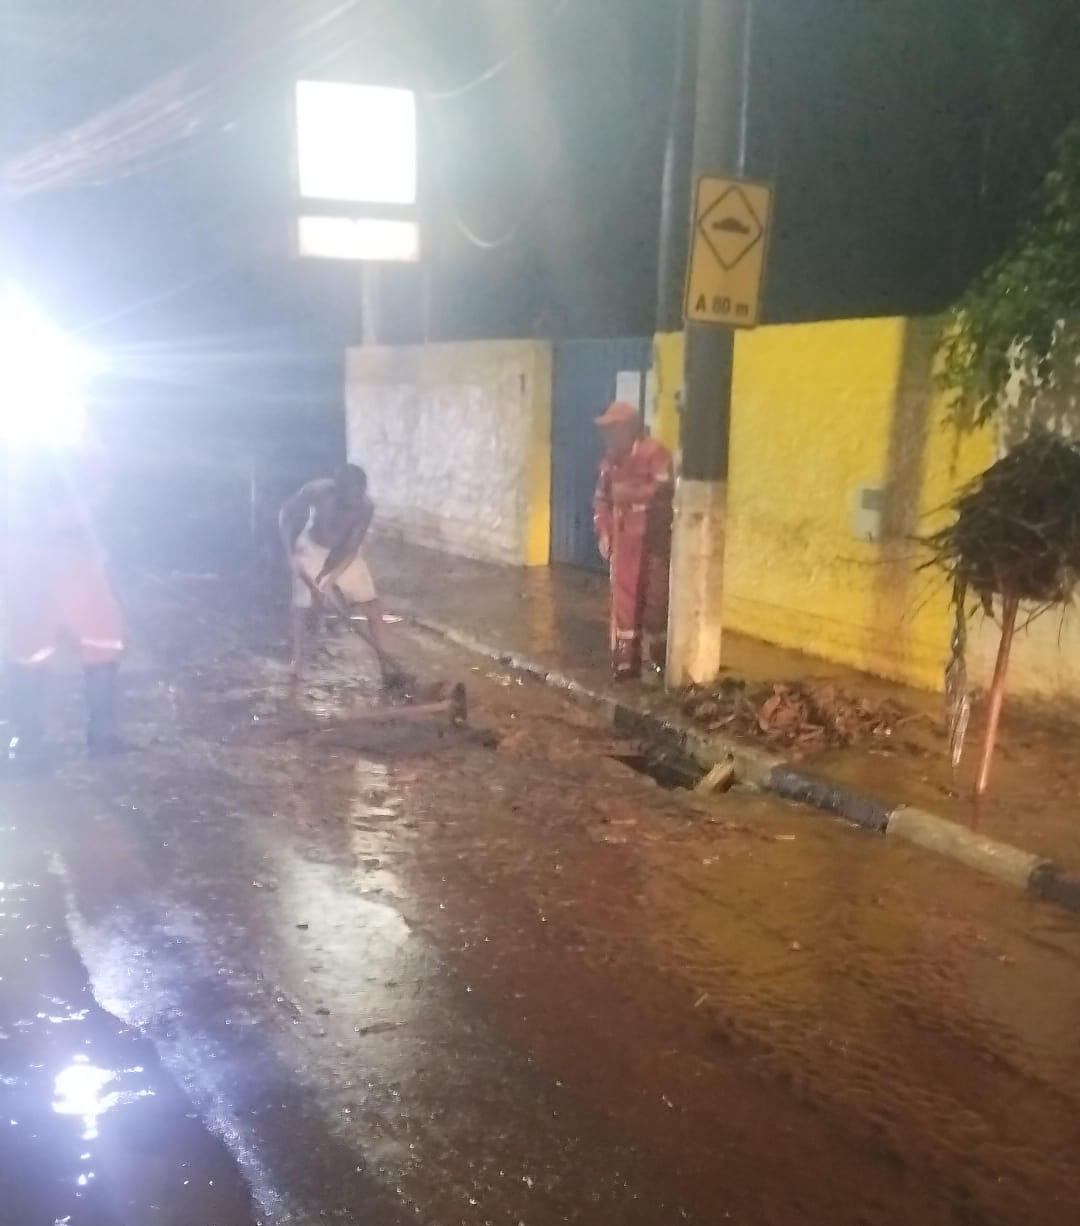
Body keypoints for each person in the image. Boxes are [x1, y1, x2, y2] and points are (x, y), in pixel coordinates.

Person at [3, 436, 126, 765]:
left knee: (102, 638)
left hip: (73, 554)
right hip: (27, 551)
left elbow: (103, 485)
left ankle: (103, 736)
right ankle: (27, 741)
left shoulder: (77, 437)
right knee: (31, 645)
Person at [278, 463, 406, 685]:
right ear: (336, 490)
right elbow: (285, 515)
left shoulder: (365, 507)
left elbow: (351, 549)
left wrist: (331, 578)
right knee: (300, 609)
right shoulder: (317, 492)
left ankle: (388, 665)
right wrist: (290, 554)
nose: (354, 503)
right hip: (311, 547)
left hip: (342, 553)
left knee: (373, 608)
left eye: (359, 496)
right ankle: (297, 663)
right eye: (349, 498)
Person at [592, 401, 674, 679]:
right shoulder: (609, 462)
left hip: (654, 544)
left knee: (655, 602)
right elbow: (601, 499)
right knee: (624, 604)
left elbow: (665, 489)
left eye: (613, 429)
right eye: (606, 431)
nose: (608, 437)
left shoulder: (655, 453)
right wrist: (604, 532)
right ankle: (626, 663)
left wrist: (632, 493)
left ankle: (655, 664)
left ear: (630, 429)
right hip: (624, 543)